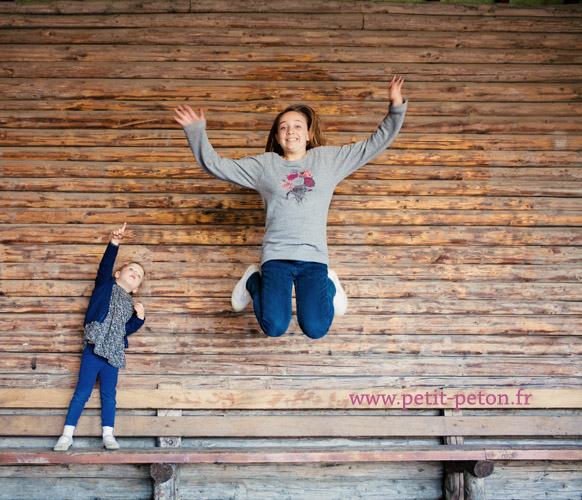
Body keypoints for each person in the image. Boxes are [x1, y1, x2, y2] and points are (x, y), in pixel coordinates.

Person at [174, 76, 406, 339]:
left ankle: (329, 284)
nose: (290, 131)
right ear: (277, 135)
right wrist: (196, 132)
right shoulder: (265, 166)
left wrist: (396, 107)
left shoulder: (328, 161)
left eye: (297, 126)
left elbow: (372, 145)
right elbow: (217, 165)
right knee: (274, 326)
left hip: (314, 258)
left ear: (308, 134)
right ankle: (253, 279)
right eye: (283, 127)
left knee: (316, 329)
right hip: (277, 255)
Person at [53, 223, 146, 451]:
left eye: (139, 276)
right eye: (131, 269)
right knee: (82, 392)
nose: (134, 273)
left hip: (113, 354)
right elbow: (104, 266)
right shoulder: (104, 286)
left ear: (136, 288)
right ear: (118, 274)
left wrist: (139, 319)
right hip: (94, 349)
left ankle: (108, 435)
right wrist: (114, 242)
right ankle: (67, 435)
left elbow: (124, 330)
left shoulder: (130, 303)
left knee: (108, 395)